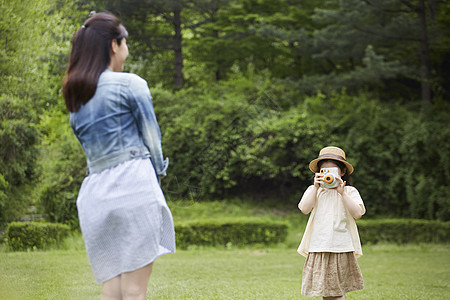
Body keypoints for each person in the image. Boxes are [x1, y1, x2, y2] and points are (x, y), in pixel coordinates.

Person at [62, 12, 175, 300]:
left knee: (112, 289)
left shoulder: (76, 97)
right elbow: (153, 140)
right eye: (125, 43)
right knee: (135, 290)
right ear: (114, 45)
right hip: (133, 184)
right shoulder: (130, 84)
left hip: (94, 194)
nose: (127, 50)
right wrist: (158, 174)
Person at [297, 146, 365, 300]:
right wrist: (315, 187)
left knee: (337, 291)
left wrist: (342, 193)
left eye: (333, 171)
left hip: (341, 247)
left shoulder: (350, 192)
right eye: (324, 171)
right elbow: (304, 209)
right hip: (319, 246)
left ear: (342, 172)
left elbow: (358, 214)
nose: (328, 175)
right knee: (326, 291)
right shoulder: (315, 191)